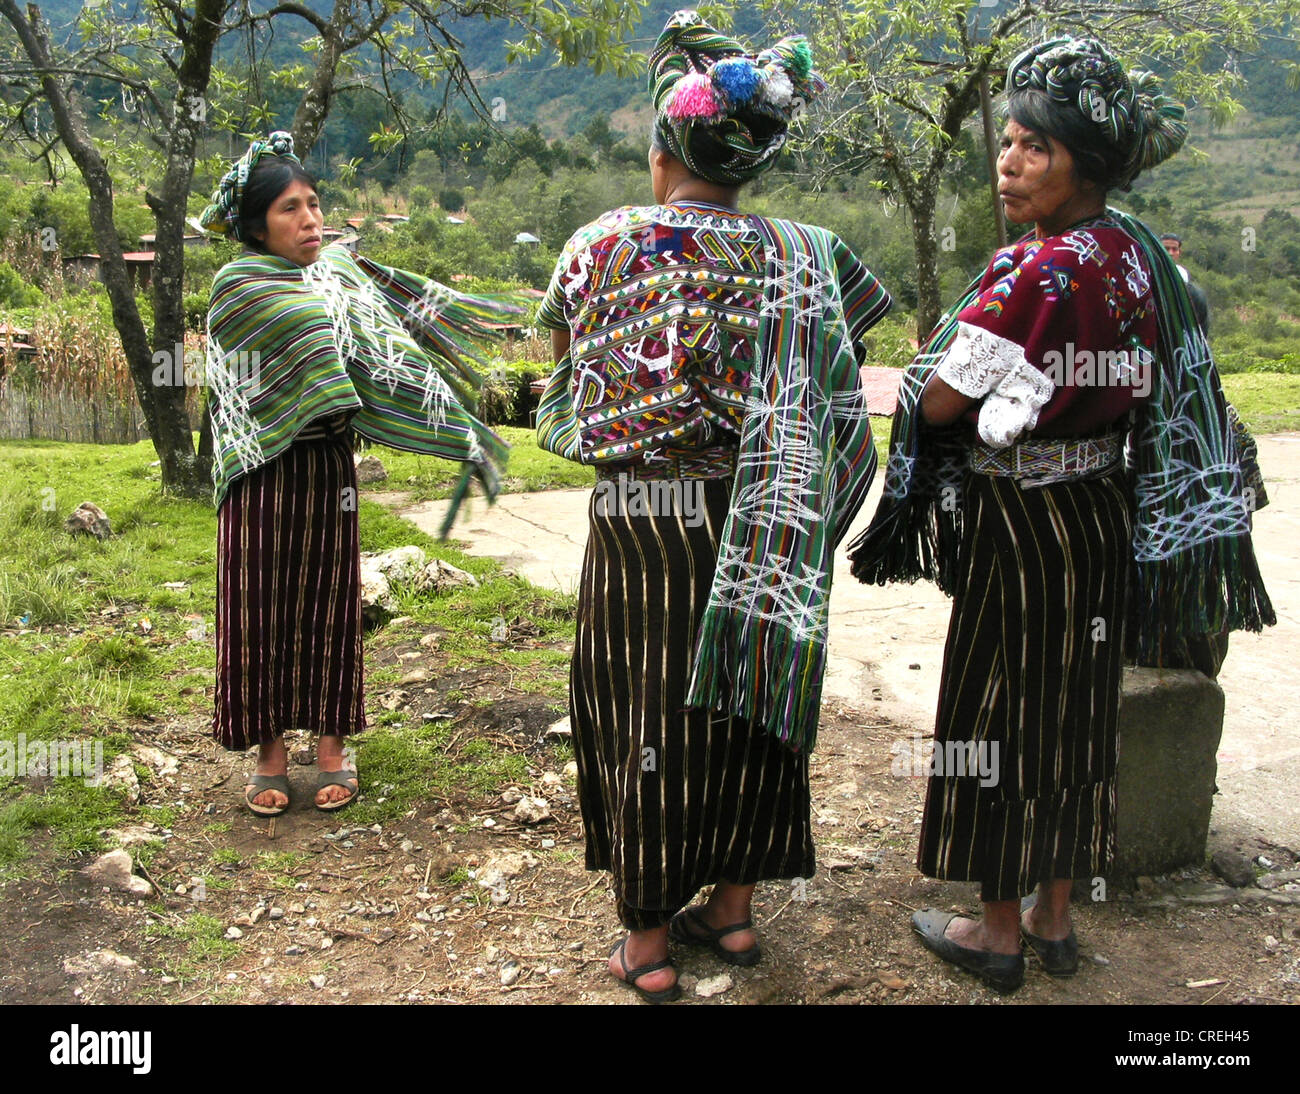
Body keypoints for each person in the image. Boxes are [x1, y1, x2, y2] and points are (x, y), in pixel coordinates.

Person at [848, 38, 1273, 993]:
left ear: (1080, 157)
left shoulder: (1027, 276)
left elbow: (944, 404)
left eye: (1034, 145)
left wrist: (921, 371)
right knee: (1076, 710)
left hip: (1021, 519)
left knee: (997, 711)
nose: (1008, 161)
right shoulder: (1140, 257)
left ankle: (996, 934)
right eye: (1006, 142)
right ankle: (1054, 915)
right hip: (1099, 511)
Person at [537, 11, 891, 1002]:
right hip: (766, 520)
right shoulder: (811, 252)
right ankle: (733, 914)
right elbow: (838, 372)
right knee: (751, 701)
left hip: (643, 526)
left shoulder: (602, 244)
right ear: (750, 160)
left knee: (642, 706)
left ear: (662, 151)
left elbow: (559, 372)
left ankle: (646, 946)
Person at [199, 133, 512, 817]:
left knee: (329, 602)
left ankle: (333, 744)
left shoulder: (339, 277)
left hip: (326, 464)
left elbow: (377, 348)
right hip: (260, 469)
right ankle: (270, 751)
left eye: (314, 204)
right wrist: (342, 321)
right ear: (256, 225)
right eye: (290, 209)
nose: (310, 219)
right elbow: (309, 351)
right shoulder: (237, 287)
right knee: (261, 608)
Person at [1159, 231, 1210, 332]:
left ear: (1179, 252)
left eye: (1174, 249)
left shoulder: (1184, 278)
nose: (1170, 253)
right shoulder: (1147, 274)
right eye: (1166, 248)